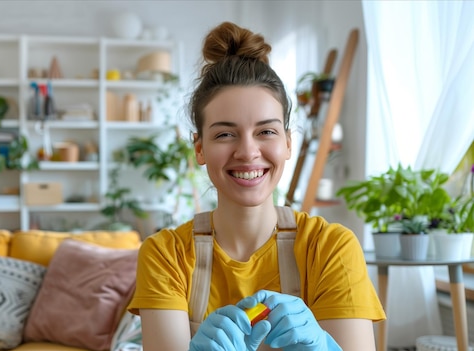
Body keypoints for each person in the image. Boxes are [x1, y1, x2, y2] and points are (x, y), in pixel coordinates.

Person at [126, 21, 385, 351]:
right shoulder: (167, 255)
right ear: (200, 148)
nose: (248, 152)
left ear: (288, 143)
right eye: (224, 134)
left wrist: (322, 346)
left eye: (266, 131)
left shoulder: (330, 249)